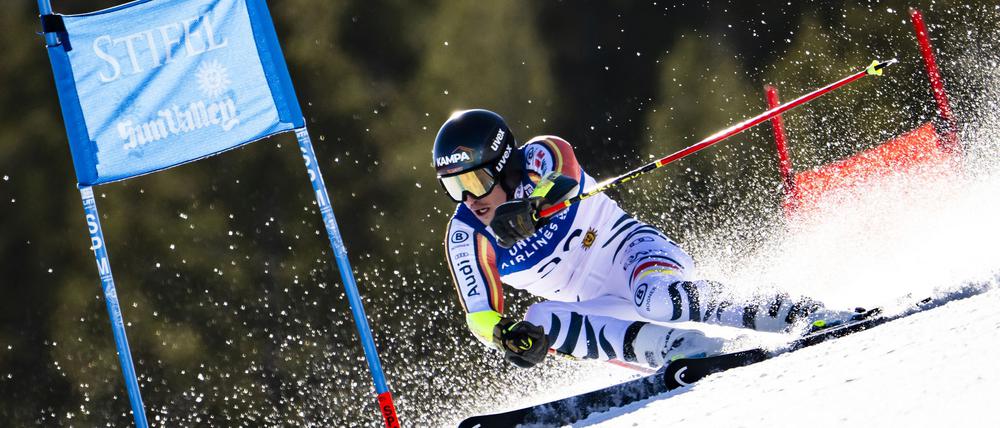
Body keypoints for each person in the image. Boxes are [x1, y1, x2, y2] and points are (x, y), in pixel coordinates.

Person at [435, 109, 863, 369]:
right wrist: (507, 335)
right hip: (594, 308)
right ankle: (689, 351)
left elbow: (564, 172)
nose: (469, 199)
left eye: (474, 180)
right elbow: (478, 315)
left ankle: (797, 312)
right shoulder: (466, 234)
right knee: (543, 320)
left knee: (656, 299)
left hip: (631, 253)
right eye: (454, 188)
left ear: (504, 162)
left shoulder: (539, 155)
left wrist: (534, 206)